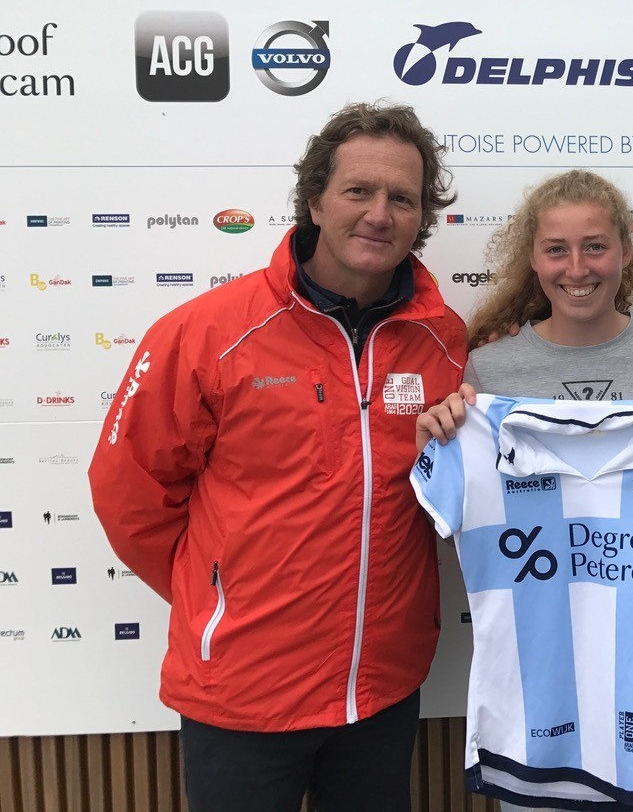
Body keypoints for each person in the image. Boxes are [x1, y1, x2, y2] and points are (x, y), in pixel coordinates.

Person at [87, 102, 467, 812]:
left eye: (402, 198)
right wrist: (219, 599)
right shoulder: (208, 331)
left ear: (422, 216)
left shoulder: (442, 340)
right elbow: (129, 493)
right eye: (359, 191)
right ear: (315, 201)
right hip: (243, 692)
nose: (379, 214)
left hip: (381, 689)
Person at [416, 168, 633, 812]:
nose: (578, 268)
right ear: (533, 259)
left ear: (624, 250)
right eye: (557, 249)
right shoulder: (491, 368)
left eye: (595, 246)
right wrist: (443, 437)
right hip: (539, 700)